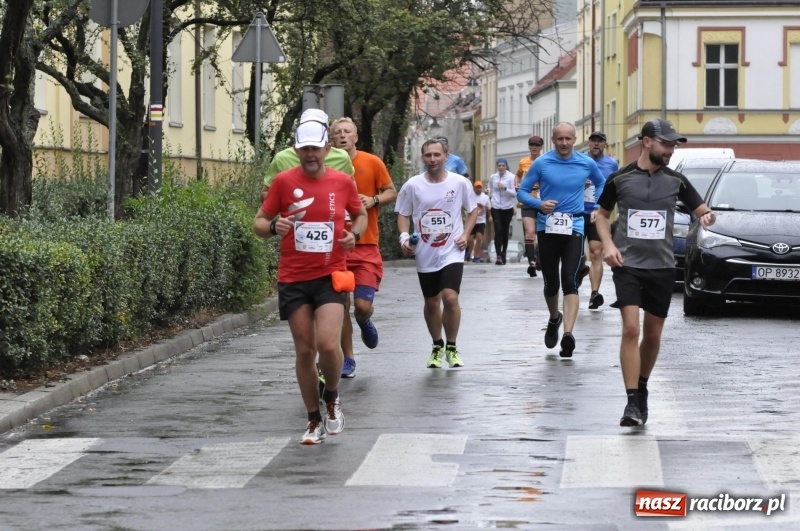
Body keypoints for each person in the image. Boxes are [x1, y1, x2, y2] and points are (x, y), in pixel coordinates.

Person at [595, 119, 715, 427]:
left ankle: (643, 385)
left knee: (652, 334)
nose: (672, 150)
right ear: (647, 142)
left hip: (661, 267)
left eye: (674, 145)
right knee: (631, 329)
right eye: (667, 143)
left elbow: (701, 209)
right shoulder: (619, 178)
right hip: (627, 265)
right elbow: (601, 215)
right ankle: (632, 400)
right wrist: (608, 245)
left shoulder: (677, 181)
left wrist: (707, 216)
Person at [254, 119, 367, 444]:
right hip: (293, 277)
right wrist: (274, 226)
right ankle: (313, 419)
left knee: (328, 345)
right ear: (297, 150)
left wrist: (354, 235)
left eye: (315, 148)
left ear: (326, 149)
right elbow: (258, 222)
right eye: (303, 149)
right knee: (305, 351)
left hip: (331, 273)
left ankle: (331, 397)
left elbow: (358, 214)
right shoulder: (283, 182)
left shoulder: (342, 181)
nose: (309, 154)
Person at [517, 122, 605, 358]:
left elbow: (602, 183)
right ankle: (555, 318)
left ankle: (568, 334)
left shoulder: (586, 163)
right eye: (560, 139)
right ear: (553, 140)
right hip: (547, 227)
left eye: (568, 139)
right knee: (551, 284)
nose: (564, 143)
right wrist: (538, 204)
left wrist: (597, 207)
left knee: (570, 279)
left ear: (575, 139)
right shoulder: (542, 163)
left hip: (574, 225)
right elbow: (522, 191)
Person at [395, 139, 479, 369]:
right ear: (423, 158)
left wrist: (466, 235)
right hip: (425, 250)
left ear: (446, 156)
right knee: (432, 302)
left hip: (452, 249)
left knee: (450, 297)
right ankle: (436, 345)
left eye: (437, 155)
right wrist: (404, 237)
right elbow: (403, 213)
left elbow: (473, 210)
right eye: (428, 155)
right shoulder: (412, 185)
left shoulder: (459, 183)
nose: (432, 159)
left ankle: (451, 347)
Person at [329, 117, 397, 378]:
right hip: (336, 250)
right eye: (338, 132)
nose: (343, 136)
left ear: (356, 137)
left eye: (348, 132)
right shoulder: (325, 166)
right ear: (331, 139)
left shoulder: (371, 162)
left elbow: (392, 191)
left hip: (366, 246)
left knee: (362, 305)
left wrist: (374, 199)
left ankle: (365, 319)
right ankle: (348, 358)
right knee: (340, 304)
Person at [261, 108, 354, 200]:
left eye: (318, 126)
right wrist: (287, 205)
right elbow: (266, 193)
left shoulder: (341, 157)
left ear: (327, 130)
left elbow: (352, 191)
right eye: (307, 126)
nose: (312, 129)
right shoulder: (282, 158)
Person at [583, 131, 619, 309]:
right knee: (576, 254)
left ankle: (594, 293)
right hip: (577, 211)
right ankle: (577, 273)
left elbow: (616, 187)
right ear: (588, 143)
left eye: (600, 141)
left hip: (599, 213)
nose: (596, 144)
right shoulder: (579, 160)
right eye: (593, 141)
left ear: (605, 145)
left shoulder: (611, 164)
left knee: (596, 252)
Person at [516, 135, 545, 276]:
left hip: (542, 200)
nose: (534, 147)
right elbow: (518, 175)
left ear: (541, 147)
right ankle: (532, 263)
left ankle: (540, 258)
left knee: (542, 233)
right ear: (529, 147)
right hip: (528, 199)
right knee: (530, 233)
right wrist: (517, 184)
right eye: (532, 145)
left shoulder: (545, 161)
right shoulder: (523, 162)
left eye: (537, 145)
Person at [488, 158, 516, 265]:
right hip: (495, 206)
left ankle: (504, 252)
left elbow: (514, 194)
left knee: (504, 232)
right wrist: (488, 193)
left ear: (506, 166)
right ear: (497, 166)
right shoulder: (493, 177)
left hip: (507, 207)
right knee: (498, 230)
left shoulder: (511, 177)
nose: (501, 168)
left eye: (503, 166)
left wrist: (505, 188)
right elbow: (490, 189)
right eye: (499, 166)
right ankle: (498, 256)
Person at [465, 181, 490, 262]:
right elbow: (464, 205)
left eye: (480, 187)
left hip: (481, 221)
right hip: (472, 220)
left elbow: (490, 208)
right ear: (474, 188)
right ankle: (467, 254)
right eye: (477, 187)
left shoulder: (485, 197)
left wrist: (490, 216)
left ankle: (476, 256)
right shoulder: (470, 196)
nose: (478, 189)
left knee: (479, 238)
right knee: (469, 240)